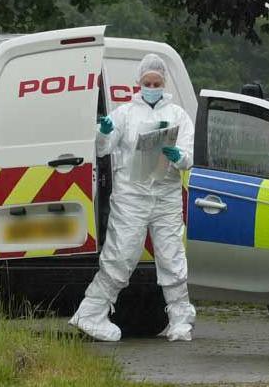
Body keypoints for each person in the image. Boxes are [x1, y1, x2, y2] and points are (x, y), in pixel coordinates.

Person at [69, 53, 196, 342]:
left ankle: (180, 319)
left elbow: (189, 158)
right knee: (120, 255)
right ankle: (90, 314)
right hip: (131, 197)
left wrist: (178, 157)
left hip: (165, 197)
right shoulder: (124, 114)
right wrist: (102, 132)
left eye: (157, 82)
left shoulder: (178, 115)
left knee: (172, 257)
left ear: (164, 84)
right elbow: (102, 149)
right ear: (138, 83)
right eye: (147, 82)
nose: (152, 86)